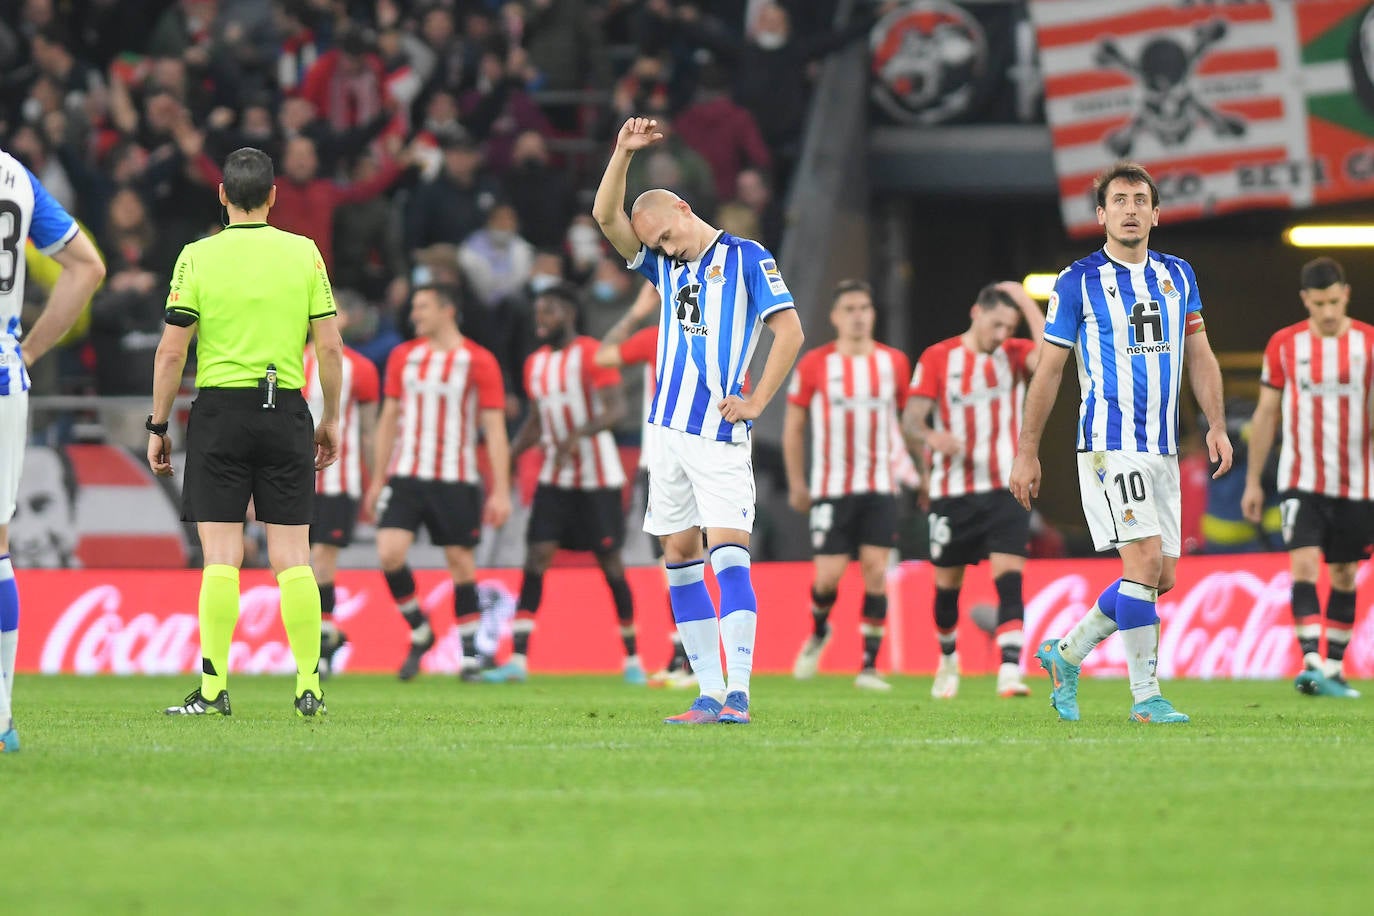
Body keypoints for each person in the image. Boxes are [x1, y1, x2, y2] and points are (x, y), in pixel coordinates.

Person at [591, 117, 805, 724]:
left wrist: (758, 402)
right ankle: (708, 692)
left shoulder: (746, 257)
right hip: (665, 433)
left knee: (728, 553)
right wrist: (622, 153)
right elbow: (606, 217)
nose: (665, 248)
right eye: (654, 244)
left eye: (666, 235)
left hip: (718, 434)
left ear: (684, 209)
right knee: (679, 555)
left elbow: (789, 331)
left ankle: (739, 693)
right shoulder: (663, 266)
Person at [1009, 160, 1233, 725]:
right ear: (1101, 214)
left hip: (1162, 446)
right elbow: (1049, 371)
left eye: (1140, 201)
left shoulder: (1178, 275)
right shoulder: (1077, 281)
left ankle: (1067, 653)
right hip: (1110, 445)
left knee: (1161, 577)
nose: (1130, 210)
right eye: (1119, 201)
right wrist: (1027, 450)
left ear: (1156, 214)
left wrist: (1216, 423)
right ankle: (1145, 697)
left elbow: (1200, 355)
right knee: (1144, 562)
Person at [152, 147, 342, 718]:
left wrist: (158, 424)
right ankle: (309, 686)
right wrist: (330, 417)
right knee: (293, 557)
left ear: (222, 195)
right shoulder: (304, 253)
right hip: (285, 408)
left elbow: (171, 352)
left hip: (220, 413)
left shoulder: (196, 256)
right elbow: (330, 346)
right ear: (273, 196)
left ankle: (213, 691)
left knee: (221, 556)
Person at [483, 281, 644, 684]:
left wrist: (577, 434)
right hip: (555, 477)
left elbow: (616, 409)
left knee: (610, 563)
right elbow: (537, 420)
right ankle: (518, 659)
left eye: (549, 311)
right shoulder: (535, 363)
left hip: (598, 478)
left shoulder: (592, 353)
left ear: (569, 314)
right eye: (538, 312)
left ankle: (632, 659)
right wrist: (510, 457)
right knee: (536, 557)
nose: (540, 319)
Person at [0, 147, 106, 751]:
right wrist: (29, 353)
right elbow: (87, 267)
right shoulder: (16, 175)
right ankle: (1, 721)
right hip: (5, 380)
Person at [902, 281, 1044, 699]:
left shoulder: (1015, 354)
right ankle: (948, 660)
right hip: (952, 491)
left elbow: (1050, 357)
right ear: (976, 313)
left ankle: (1010, 671)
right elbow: (911, 420)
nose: (1002, 334)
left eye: (1009, 327)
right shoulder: (939, 357)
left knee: (1010, 580)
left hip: (1006, 486)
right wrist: (932, 437)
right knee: (947, 589)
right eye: (996, 324)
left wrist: (1025, 301)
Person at [364, 284, 512, 682]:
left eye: (423, 307)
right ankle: (420, 628)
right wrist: (377, 478)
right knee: (389, 553)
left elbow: (495, 429)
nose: (415, 315)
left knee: (461, 564)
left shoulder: (478, 360)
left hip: (455, 476)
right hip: (406, 473)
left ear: (447, 310)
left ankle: (470, 654)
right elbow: (388, 419)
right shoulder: (403, 356)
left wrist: (501, 489)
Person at [1242, 257, 1373, 699]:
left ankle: (1333, 667)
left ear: (1346, 295)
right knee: (1303, 563)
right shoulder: (1284, 344)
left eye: (1334, 302)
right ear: (1305, 301)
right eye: (1319, 304)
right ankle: (1311, 661)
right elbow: (1266, 414)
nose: (1329, 312)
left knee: (1344, 574)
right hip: (1300, 477)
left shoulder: (1369, 344)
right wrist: (1253, 480)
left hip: (1358, 482)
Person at [783, 279, 911, 692]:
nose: (858, 316)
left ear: (873, 314)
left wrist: (922, 472)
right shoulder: (815, 364)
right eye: (850, 309)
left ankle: (869, 666)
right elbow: (793, 427)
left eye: (864, 308)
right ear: (835, 317)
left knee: (875, 570)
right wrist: (797, 482)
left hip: (880, 486)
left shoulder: (893, 363)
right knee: (828, 578)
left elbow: (908, 423)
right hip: (831, 487)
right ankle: (819, 630)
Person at [596, 279, 695, 688]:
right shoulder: (654, 338)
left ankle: (691, 658)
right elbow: (603, 357)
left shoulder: (709, 339)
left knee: (691, 559)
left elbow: (603, 353)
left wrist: (637, 313)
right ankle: (683, 656)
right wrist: (638, 313)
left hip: (696, 462)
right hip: (658, 464)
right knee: (671, 562)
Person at [305, 327, 381, 678]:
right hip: (293, 479)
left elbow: (369, 431)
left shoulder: (361, 369)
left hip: (340, 479)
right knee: (289, 565)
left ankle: (320, 648)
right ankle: (329, 633)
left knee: (322, 559)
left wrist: (375, 481)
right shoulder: (288, 361)